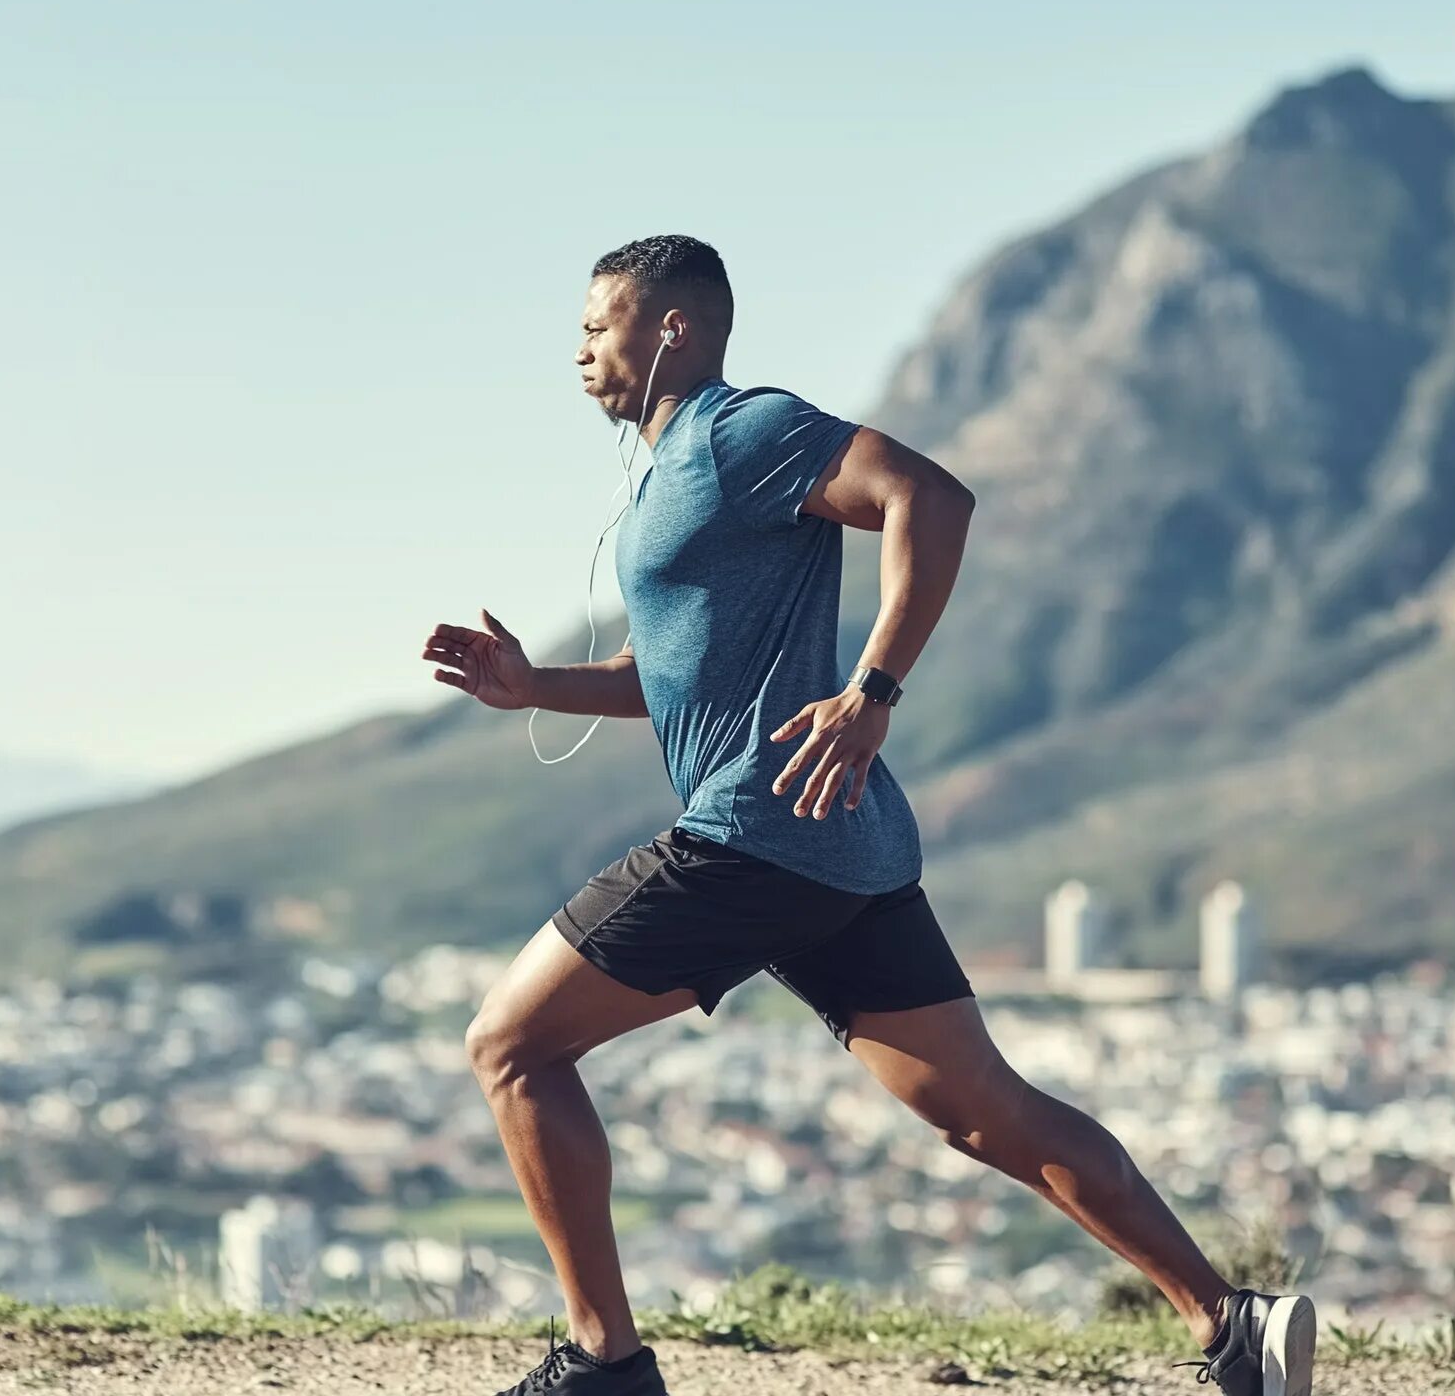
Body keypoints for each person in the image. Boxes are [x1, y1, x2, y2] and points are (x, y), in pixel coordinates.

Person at [420, 234, 1317, 1396]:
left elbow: (928, 498)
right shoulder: (667, 477)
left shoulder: (743, 430)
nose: (582, 347)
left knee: (510, 1047)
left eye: (600, 323)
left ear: (672, 329)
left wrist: (871, 691)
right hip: (837, 847)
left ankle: (606, 1364)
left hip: (757, 830)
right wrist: (533, 685)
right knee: (983, 1110)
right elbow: (665, 676)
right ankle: (1230, 1321)